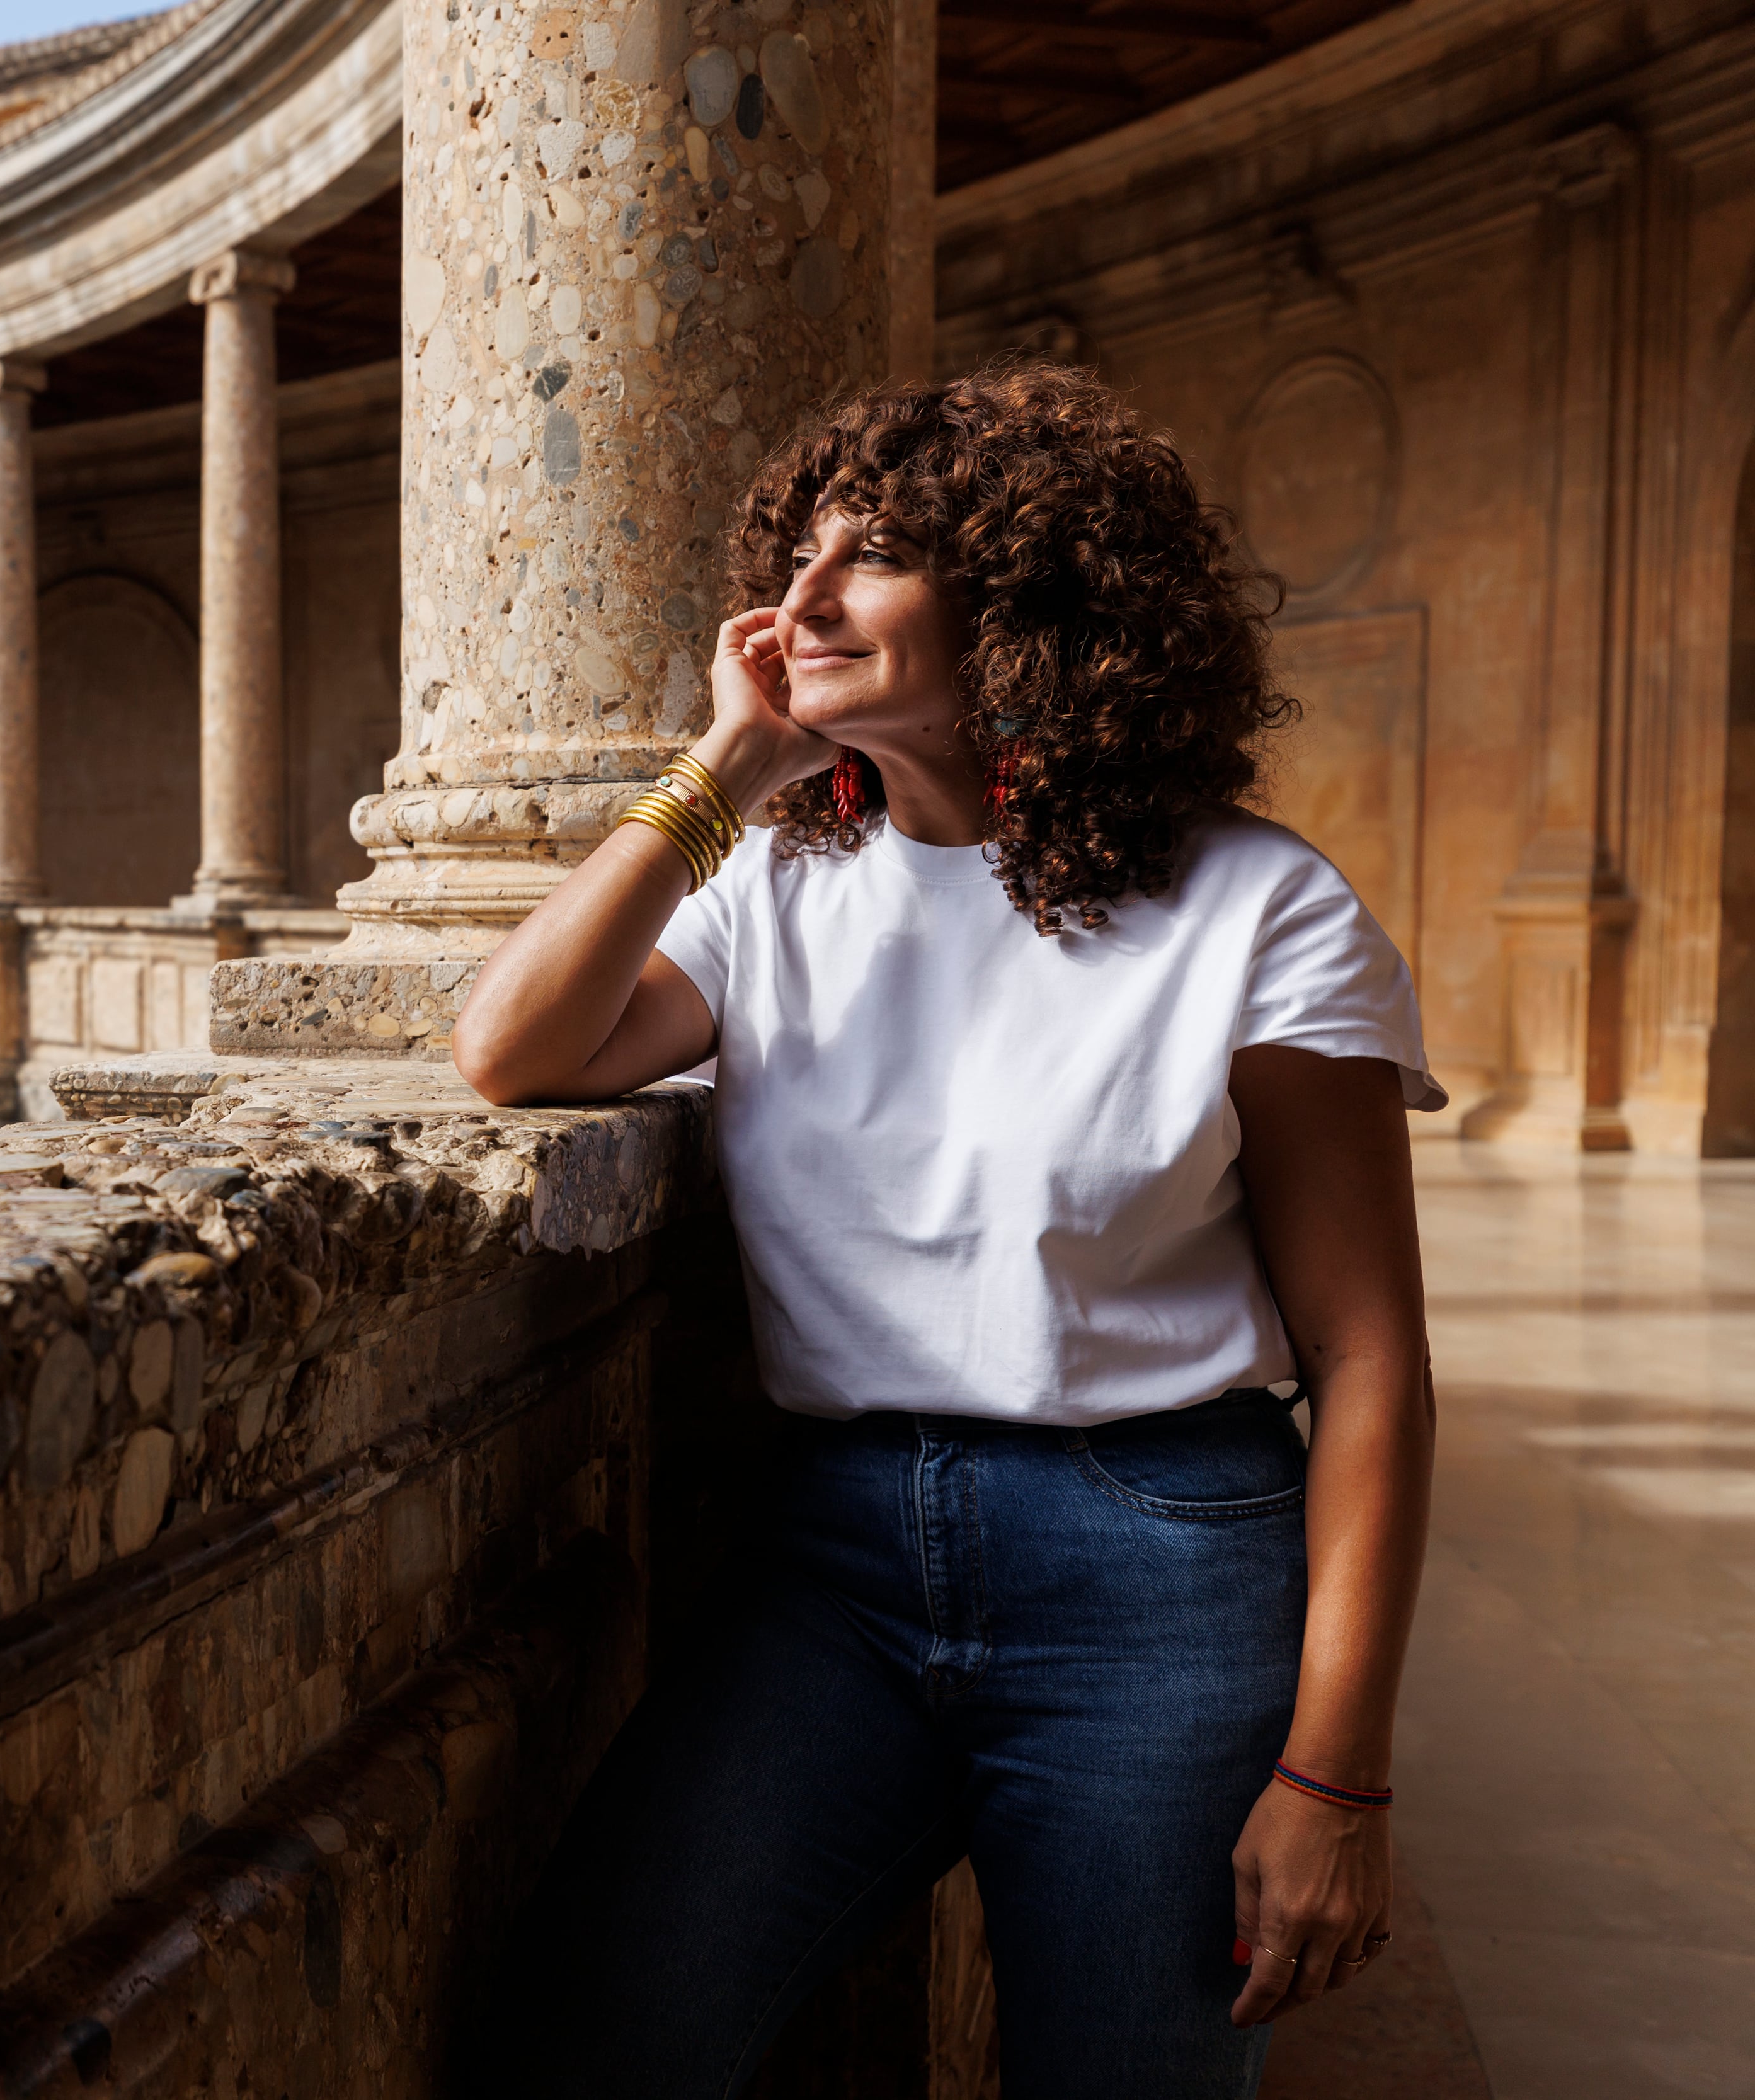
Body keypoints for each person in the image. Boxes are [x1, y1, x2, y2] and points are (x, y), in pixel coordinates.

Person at [459, 364, 1439, 2098]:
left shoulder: (1259, 910)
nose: (802, 602)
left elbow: (1369, 1355)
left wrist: (1338, 1776)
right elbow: (510, 1050)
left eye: (878, 559)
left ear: (1031, 602)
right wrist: (727, 761)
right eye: (800, 556)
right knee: (593, 2037)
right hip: (835, 1563)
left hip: (1161, 1566)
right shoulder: (777, 891)